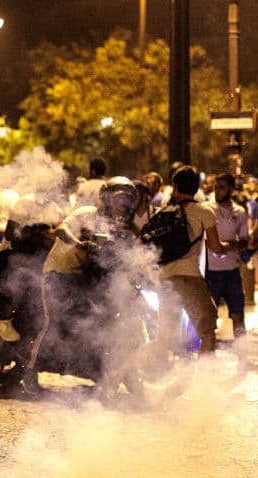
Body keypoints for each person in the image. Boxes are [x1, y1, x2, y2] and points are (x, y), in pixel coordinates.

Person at [25, 177, 138, 391]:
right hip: (59, 274)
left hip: (86, 278)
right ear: (106, 198)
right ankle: (30, 373)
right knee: (53, 323)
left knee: (103, 322)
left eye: (128, 198)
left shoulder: (120, 227)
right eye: (119, 197)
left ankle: (100, 373)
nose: (124, 202)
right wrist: (79, 244)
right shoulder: (87, 213)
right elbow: (61, 230)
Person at [155, 166, 226, 355]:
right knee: (208, 333)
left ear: (174, 186)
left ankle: (125, 368)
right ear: (197, 187)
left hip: (164, 281)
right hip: (189, 278)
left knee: (163, 340)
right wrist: (233, 246)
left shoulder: (161, 213)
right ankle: (202, 381)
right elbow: (216, 248)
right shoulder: (204, 211)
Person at [205, 173, 249, 341]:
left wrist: (228, 246)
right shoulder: (207, 208)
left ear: (231, 189)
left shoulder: (240, 212)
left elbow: (244, 241)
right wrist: (215, 245)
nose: (218, 190)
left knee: (238, 315)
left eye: (222, 187)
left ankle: (242, 353)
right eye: (216, 187)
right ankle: (206, 357)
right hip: (211, 272)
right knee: (209, 319)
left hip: (232, 272)